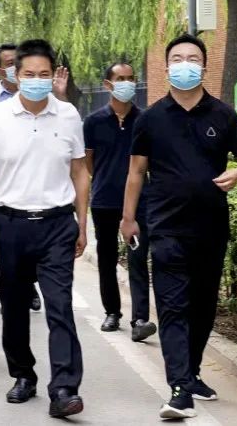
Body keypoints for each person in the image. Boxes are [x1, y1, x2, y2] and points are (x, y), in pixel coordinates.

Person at [120, 34, 237, 420]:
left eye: (193, 58)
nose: (185, 64)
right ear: (167, 67)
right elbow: (136, 172)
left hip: (211, 227)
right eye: (178, 58)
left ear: (204, 67)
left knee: (202, 307)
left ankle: (192, 374)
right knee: (172, 307)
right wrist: (128, 218)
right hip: (166, 227)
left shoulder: (222, 114)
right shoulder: (150, 118)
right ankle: (180, 390)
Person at [0, 39, 90, 419]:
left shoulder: (68, 114)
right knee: (15, 306)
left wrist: (82, 224)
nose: (37, 80)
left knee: (60, 306)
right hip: (12, 224)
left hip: (57, 223)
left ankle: (64, 388)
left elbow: (80, 172)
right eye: (29, 74)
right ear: (16, 76)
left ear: (53, 75)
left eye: (44, 74)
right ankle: (23, 374)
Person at [83, 62, 157, 341]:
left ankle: (140, 318)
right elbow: (88, 161)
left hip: (139, 201)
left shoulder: (145, 119)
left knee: (138, 258)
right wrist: (105, 177)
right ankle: (112, 312)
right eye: (120, 78)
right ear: (108, 84)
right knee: (107, 258)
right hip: (104, 199)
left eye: (130, 78)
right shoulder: (93, 121)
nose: (126, 83)